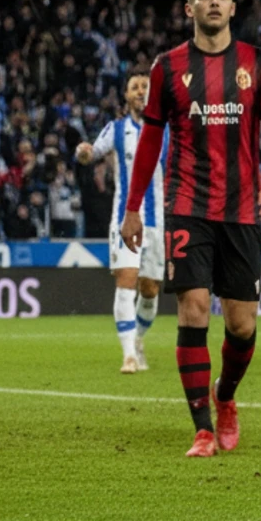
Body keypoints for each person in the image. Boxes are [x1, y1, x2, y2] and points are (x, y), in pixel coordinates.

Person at [121, 0, 261, 458]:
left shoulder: (258, 64)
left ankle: (226, 397)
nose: (214, 3)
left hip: (241, 210)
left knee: (241, 325)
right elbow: (151, 140)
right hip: (188, 206)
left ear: (234, 8)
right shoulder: (167, 67)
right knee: (193, 310)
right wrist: (133, 208)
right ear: (189, 8)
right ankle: (201, 428)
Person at [74, 71, 166, 373]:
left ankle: (138, 339)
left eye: (145, 87)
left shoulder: (169, 131)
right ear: (126, 96)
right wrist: (84, 152)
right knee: (126, 281)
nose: (140, 91)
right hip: (125, 219)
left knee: (150, 289)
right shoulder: (116, 129)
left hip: (158, 222)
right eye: (134, 87)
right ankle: (128, 354)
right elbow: (92, 152)